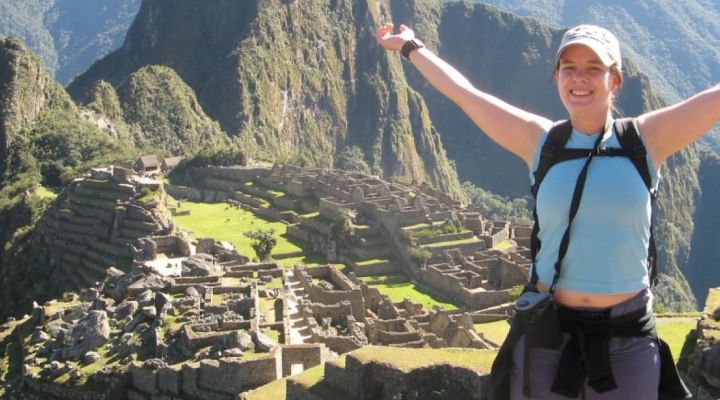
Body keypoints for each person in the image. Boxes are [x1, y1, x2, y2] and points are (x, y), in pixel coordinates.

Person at [376, 21, 719, 399]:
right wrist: (410, 47)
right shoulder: (542, 142)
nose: (579, 78)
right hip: (548, 335)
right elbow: (466, 95)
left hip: (627, 339)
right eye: (569, 68)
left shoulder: (645, 140)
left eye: (594, 68)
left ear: (615, 80)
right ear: (556, 76)